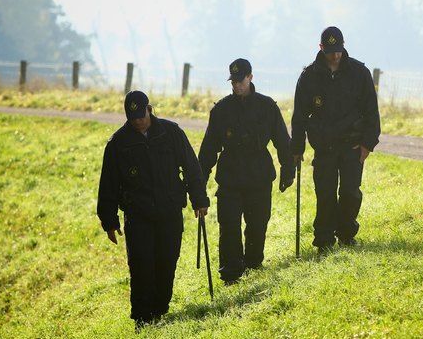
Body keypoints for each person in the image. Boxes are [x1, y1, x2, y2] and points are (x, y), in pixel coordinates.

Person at [97, 90, 210, 328]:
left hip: (170, 212)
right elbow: (108, 184)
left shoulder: (171, 133)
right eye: (132, 117)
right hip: (138, 216)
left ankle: (160, 311)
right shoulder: (118, 144)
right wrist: (109, 221)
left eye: (141, 115)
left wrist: (199, 199)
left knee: (167, 263)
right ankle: (141, 318)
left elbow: (191, 167)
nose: (138, 120)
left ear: (149, 109)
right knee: (141, 267)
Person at [198, 59, 295, 285]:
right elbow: (209, 149)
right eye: (233, 81)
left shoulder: (267, 106)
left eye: (240, 80)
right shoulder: (221, 110)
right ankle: (231, 273)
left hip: (259, 177)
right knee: (229, 226)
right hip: (230, 178)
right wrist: (198, 182)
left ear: (250, 77)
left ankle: (252, 265)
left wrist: (287, 170)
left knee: (257, 225)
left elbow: (282, 141)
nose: (237, 85)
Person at [290, 26, 381, 253]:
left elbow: (371, 111)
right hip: (324, 146)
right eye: (330, 50)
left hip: (352, 144)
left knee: (351, 192)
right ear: (321, 48)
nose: (336, 55)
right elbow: (299, 115)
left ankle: (346, 234)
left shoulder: (359, 73)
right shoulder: (309, 76)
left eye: (339, 50)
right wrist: (297, 147)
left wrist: (368, 144)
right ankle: (324, 239)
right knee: (325, 194)